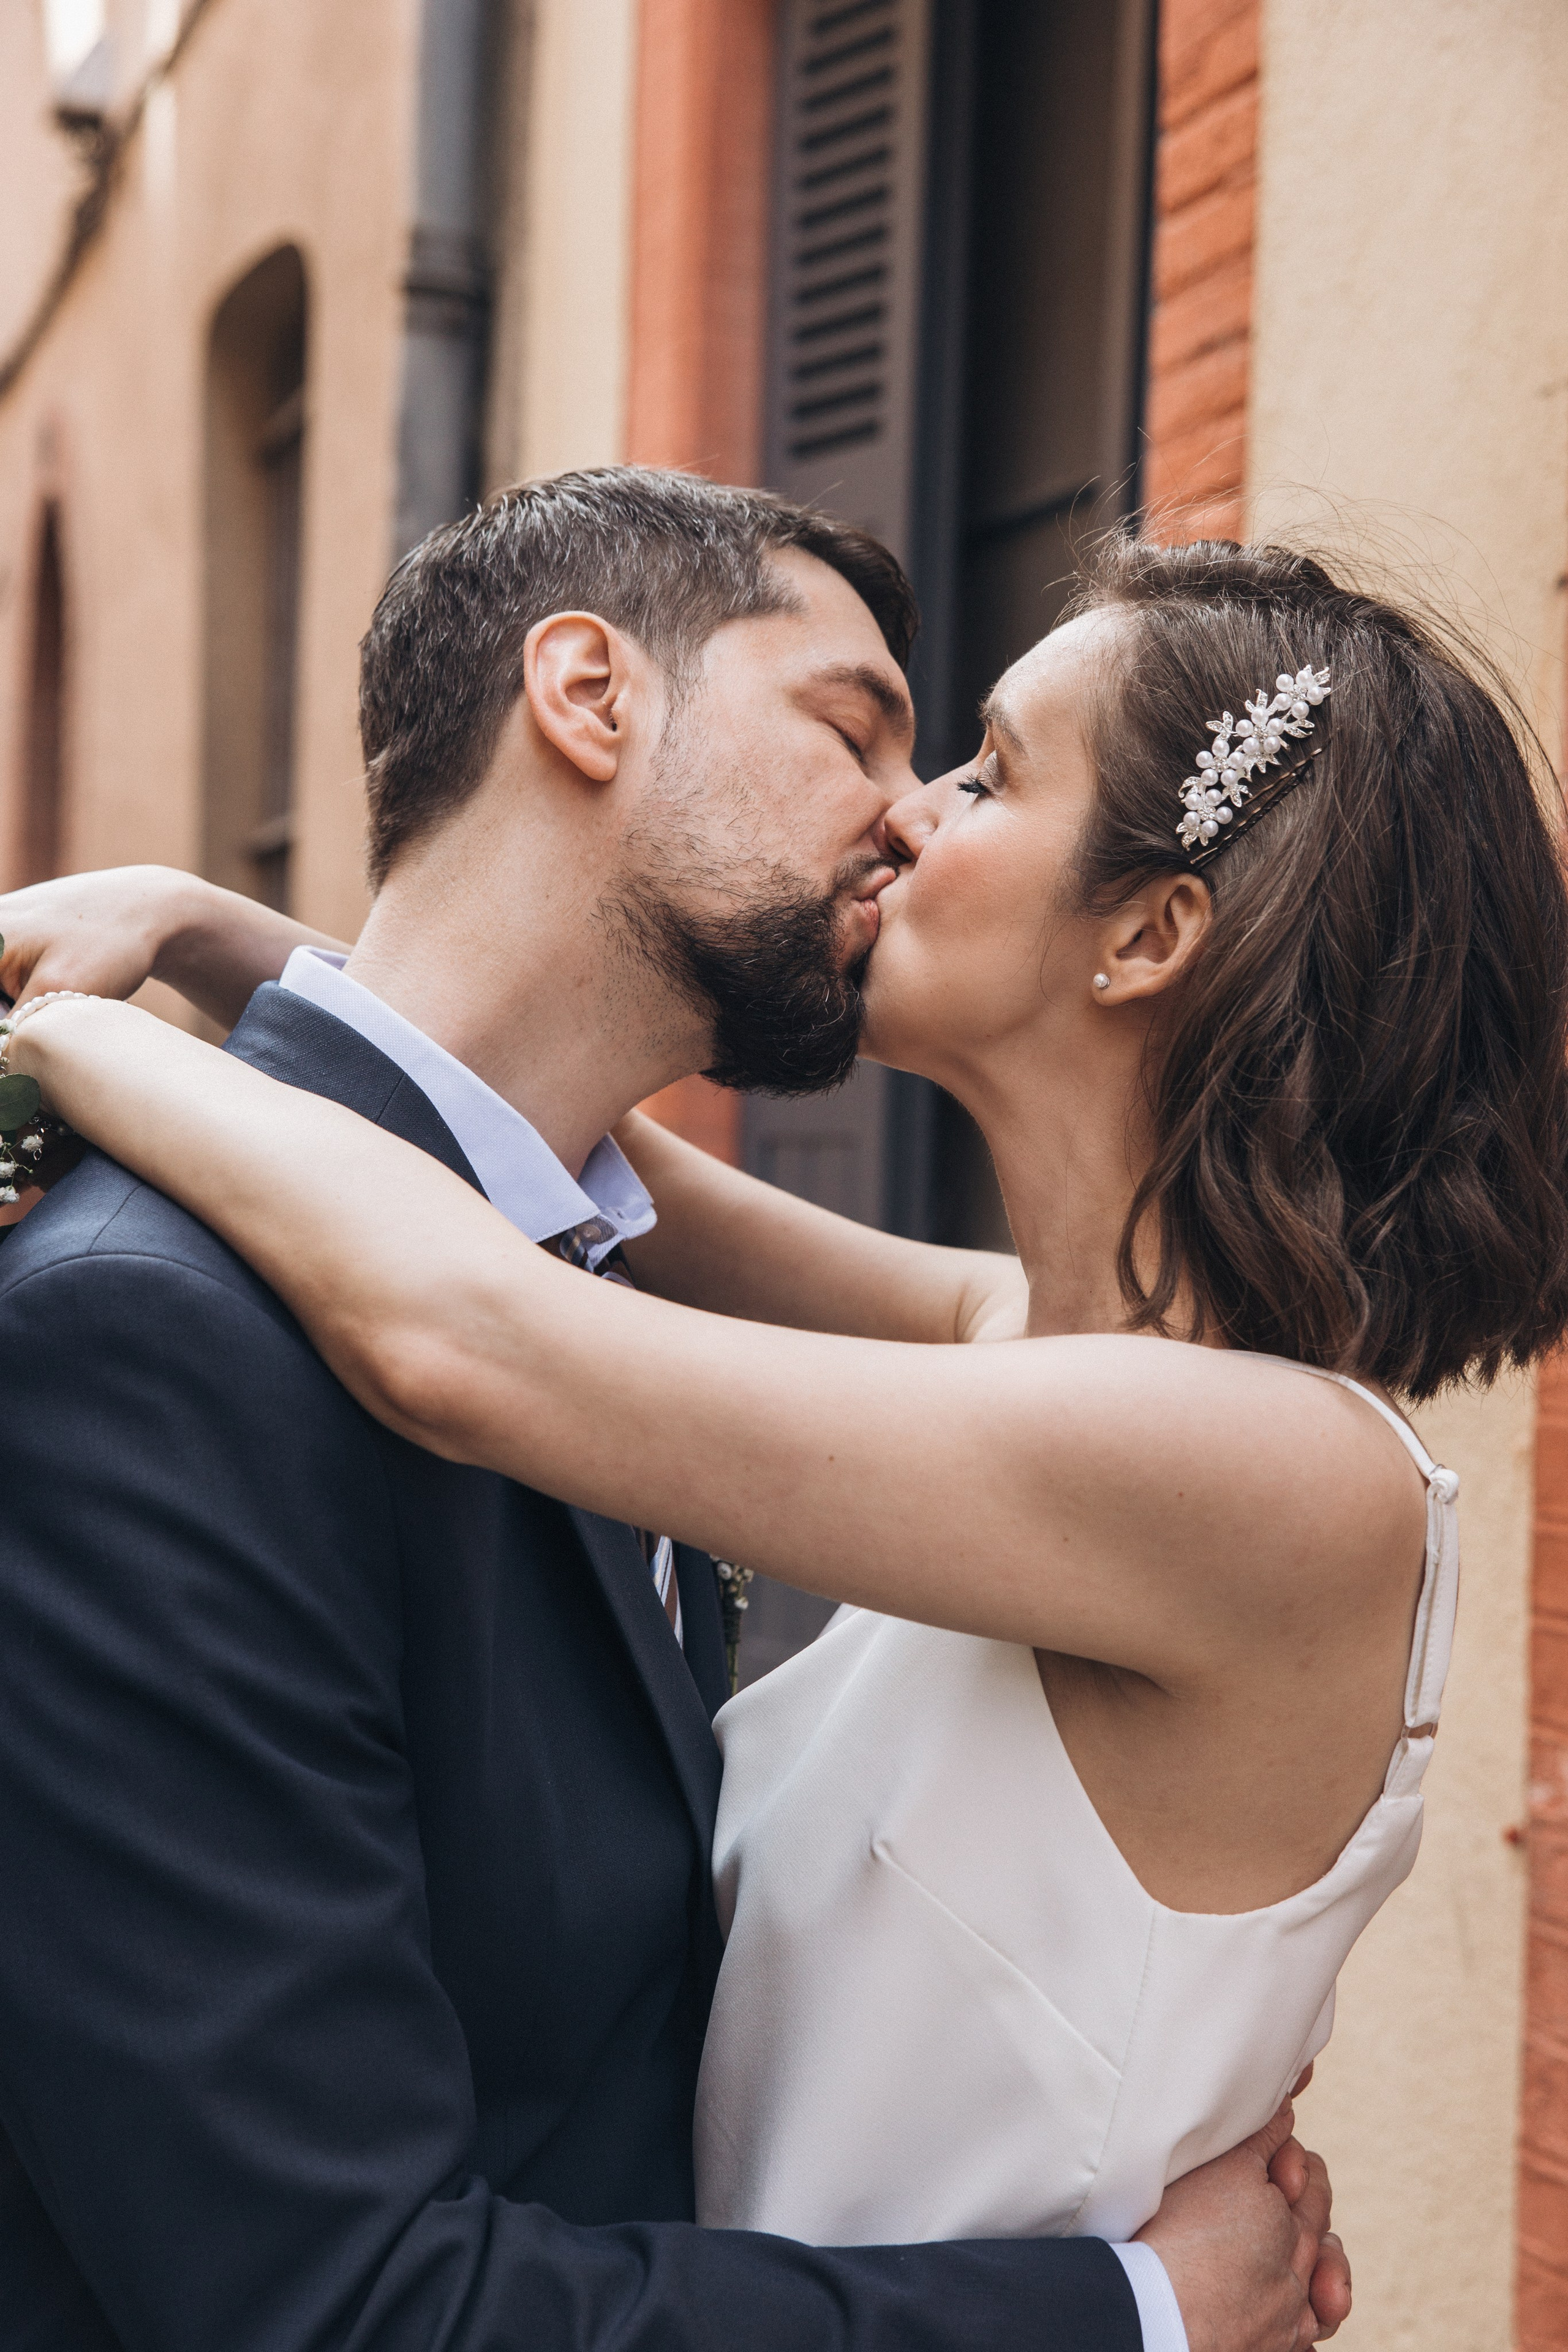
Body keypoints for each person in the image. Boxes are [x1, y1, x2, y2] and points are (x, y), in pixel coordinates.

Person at [0, 473, 1352, 2352]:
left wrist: (72, 1039)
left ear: (1155, 935)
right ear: (590, 696)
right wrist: (1127, 2315)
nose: (905, 814)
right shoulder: (155, 1342)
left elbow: (459, 1316)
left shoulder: (1139, 1422)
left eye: (973, 770)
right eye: (859, 726)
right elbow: (324, 2298)